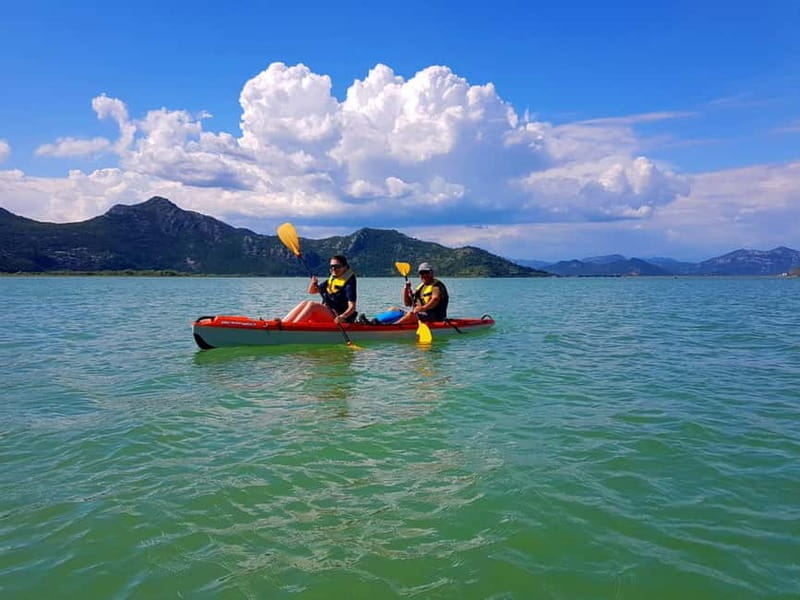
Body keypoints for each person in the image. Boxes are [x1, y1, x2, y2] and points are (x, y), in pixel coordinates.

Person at [283, 255, 358, 323]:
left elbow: (352, 307)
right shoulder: (332, 280)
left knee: (313, 305)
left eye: (337, 266)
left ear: (344, 267)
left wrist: (342, 317)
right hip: (328, 312)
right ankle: (284, 323)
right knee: (305, 302)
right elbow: (312, 291)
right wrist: (312, 283)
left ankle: (294, 327)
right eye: (332, 266)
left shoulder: (349, 283)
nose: (333, 269)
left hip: (337, 317)